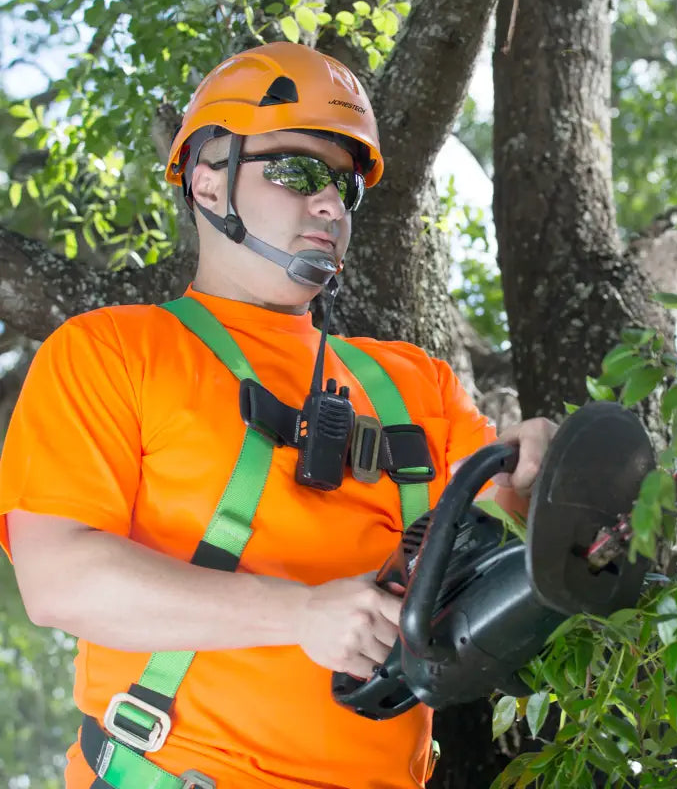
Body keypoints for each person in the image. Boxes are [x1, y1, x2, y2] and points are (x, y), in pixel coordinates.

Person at [0, 42, 556, 789]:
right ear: (207, 183)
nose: (330, 203)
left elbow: (501, 534)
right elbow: (60, 580)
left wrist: (545, 482)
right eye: (298, 171)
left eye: (345, 188)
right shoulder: (111, 351)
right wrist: (298, 615)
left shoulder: (413, 383)